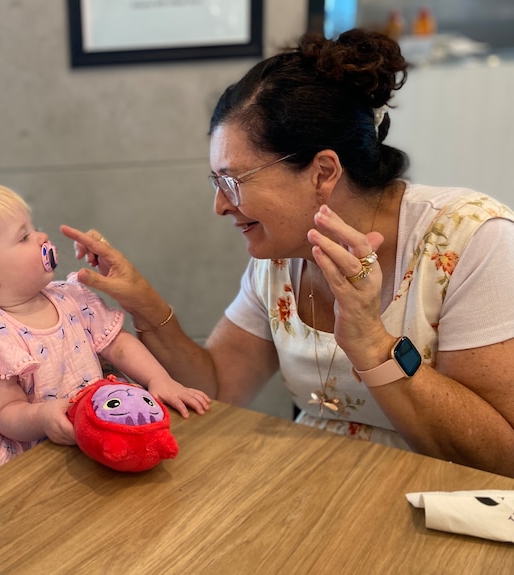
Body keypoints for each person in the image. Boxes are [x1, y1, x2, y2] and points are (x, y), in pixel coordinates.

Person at [62, 28, 514, 478]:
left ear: (322, 171)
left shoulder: (472, 239)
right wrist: (142, 299)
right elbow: (217, 386)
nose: (220, 205)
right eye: (216, 183)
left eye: (232, 181)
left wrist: (373, 344)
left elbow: (499, 456)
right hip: (311, 489)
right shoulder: (284, 253)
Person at [0, 183, 210, 469]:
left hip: (107, 429)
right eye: (24, 237)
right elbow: (4, 411)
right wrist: (41, 417)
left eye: (34, 227)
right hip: (51, 457)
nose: (42, 236)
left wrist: (159, 379)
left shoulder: (70, 296)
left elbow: (117, 344)